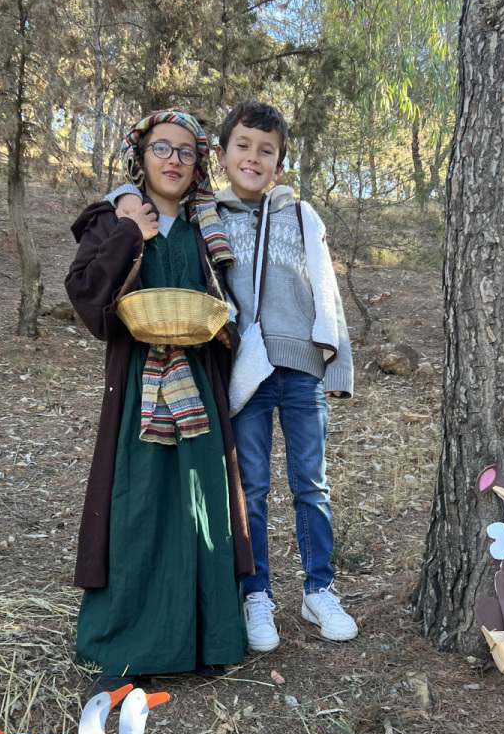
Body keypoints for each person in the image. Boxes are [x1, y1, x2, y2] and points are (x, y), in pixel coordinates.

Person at [110, 100, 356, 653]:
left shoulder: (302, 216)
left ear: (280, 164)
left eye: (266, 151)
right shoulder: (206, 214)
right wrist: (123, 198)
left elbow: (327, 288)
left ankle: (319, 589)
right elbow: (140, 198)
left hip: (303, 367)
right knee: (251, 487)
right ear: (221, 156)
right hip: (246, 369)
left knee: (311, 482)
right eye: (242, 146)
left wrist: (338, 362)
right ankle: (256, 594)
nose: (253, 157)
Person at [65, 110, 251, 690]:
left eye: (187, 152)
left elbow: (226, 305)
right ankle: (126, 647)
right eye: (162, 148)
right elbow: (87, 296)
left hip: (198, 386)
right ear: (140, 156)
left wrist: (223, 331)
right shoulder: (111, 218)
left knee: (202, 503)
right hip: (137, 393)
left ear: (198, 165)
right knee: (137, 504)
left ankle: (204, 639)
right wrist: (130, 232)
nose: (174, 160)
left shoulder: (207, 229)